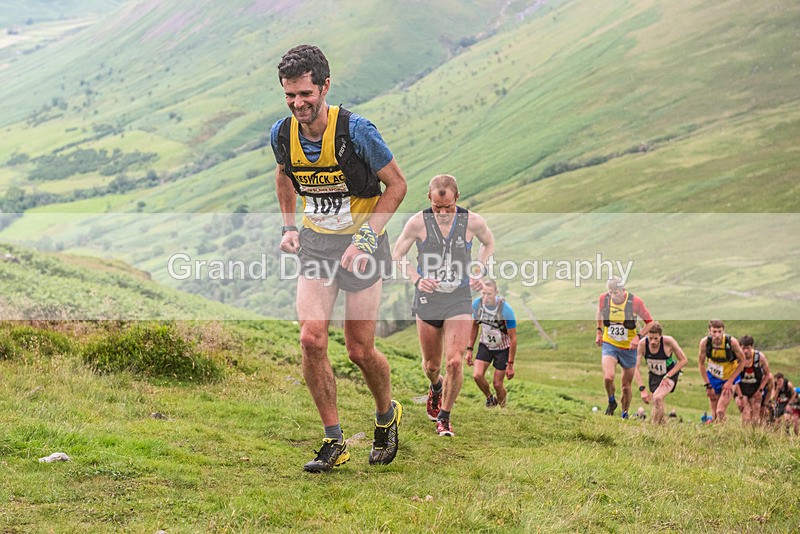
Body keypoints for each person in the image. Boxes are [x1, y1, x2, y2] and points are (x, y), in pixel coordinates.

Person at [271, 44, 408, 472]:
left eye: (306, 95)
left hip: (363, 248)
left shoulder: (357, 131)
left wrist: (366, 238)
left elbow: (398, 186)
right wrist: (289, 228)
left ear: (325, 86)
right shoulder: (282, 133)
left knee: (359, 349)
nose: (298, 104)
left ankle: (387, 415)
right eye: (290, 95)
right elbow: (284, 176)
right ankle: (334, 441)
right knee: (311, 338)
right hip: (316, 244)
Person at [392, 174, 494, 437]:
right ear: (429, 200)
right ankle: (436, 387)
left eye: (448, 207)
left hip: (458, 298)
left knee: (455, 362)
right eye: (438, 208)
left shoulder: (472, 222)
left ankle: (445, 417)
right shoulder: (417, 223)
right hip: (428, 300)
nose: (443, 213)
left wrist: (479, 270)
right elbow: (398, 254)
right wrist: (417, 279)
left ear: (457, 199)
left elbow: (488, 243)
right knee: (432, 366)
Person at [595, 276, 655, 419]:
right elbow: (599, 311)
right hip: (610, 344)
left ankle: (624, 414)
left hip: (629, 348)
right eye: (610, 292)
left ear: (623, 290)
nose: (613, 296)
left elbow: (650, 323)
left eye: (616, 292)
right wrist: (599, 331)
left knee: (626, 386)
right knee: (608, 377)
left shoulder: (635, 302)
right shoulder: (604, 299)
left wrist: (638, 337)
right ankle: (611, 402)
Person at [466, 279, 518, 408]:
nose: (485, 297)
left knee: (497, 384)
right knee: (477, 375)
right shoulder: (477, 305)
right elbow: (474, 326)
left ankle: (502, 408)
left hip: (502, 348)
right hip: (485, 345)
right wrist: (469, 349)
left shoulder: (506, 310)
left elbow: (513, 338)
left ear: (496, 293)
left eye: (489, 294)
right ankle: (490, 398)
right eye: (483, 293)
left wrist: (510, 364)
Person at [632, 322, 687, 424]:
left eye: (656, 338)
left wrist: (668, 376)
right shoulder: (642, 344)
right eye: (650, 338)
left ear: (660, 336)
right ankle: (663, 424)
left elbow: (683, 360)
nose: (652, 342)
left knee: (657, 398)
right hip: (654, 375)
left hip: (669, 374)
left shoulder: (669, 342)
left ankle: (654, 427)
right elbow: (635, 367)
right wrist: (642, 388)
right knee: (657, 403)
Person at [697, 320, 746, 424]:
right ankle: (717, 435)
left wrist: (730, 381)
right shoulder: (705, 343)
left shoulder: (732, 342)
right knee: (714, 415)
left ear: (724, 331)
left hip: (729, 377)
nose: (717, 335)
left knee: (720, 411)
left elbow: (742, 362)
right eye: (714, 332)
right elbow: (701, 364)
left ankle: (725, 434)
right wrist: (708, 385)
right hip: (713, 377)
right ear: (709, 332)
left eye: (720, 331)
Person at [734, 335, 772, 426]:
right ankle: (745, 437)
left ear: (752, 347)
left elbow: (767, 375)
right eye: (743, 348)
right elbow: (733, 377)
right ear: (740, 347)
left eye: (748, 348)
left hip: (755, 388)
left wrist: (760, 390)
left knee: (755, 418)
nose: (745, 351)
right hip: (741, 389)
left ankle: (755, 437)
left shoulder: (760, 357)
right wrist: (740, 396)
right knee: (746, 416)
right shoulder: (736, 358)